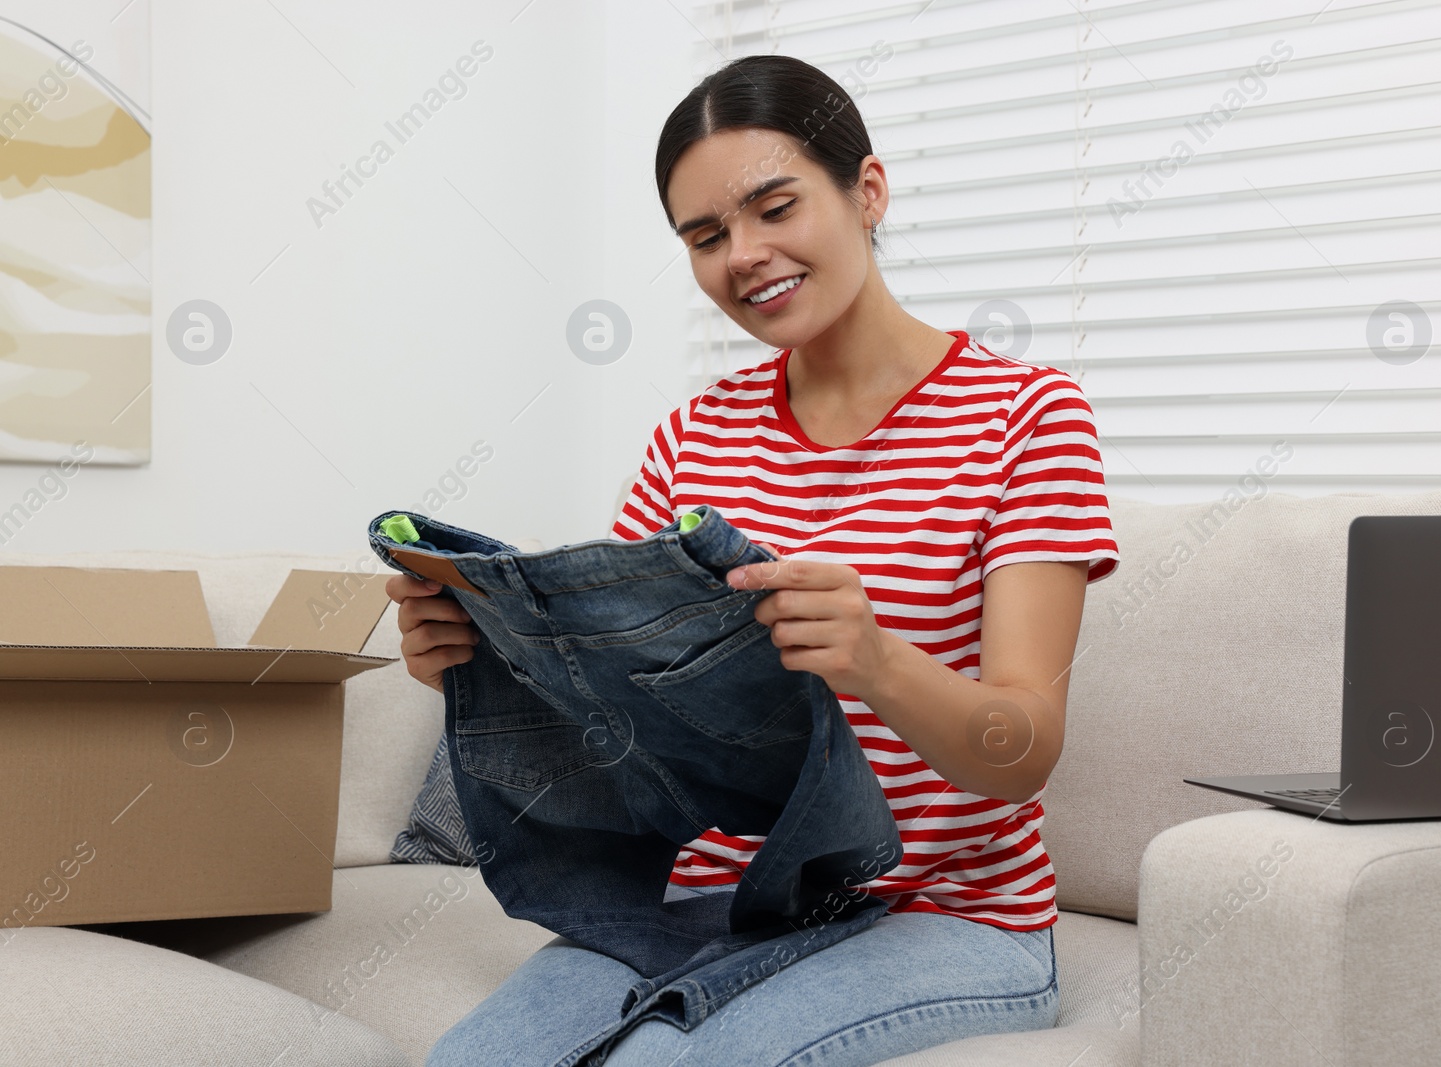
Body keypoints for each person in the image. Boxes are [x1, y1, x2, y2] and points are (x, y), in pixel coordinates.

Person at [391, 53, 1120, 1067]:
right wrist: (475, 663)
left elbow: (1024, 745)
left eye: (775, 206)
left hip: (954, 916)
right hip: (717, 899)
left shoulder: (1025, 418)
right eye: (706, 235)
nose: (745, 253)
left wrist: (874, 659)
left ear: (866, 191)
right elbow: (623, 741)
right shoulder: (693, 438)